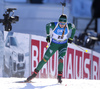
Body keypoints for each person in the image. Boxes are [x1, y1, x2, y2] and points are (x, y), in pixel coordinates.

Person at [25, 14, 76, 83]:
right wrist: (48, 36)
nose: (62, 25)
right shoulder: (54, 25)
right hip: (54, 45)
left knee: (61, 59)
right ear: (58, 22)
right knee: (45, 59)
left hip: (63, 45)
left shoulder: (68, 26)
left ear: (66, 23)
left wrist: (71, 37)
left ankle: (59, 77)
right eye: (61, 23)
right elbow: (47, 26)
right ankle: (34, 74)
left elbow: (74, 27)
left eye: (64, 23)